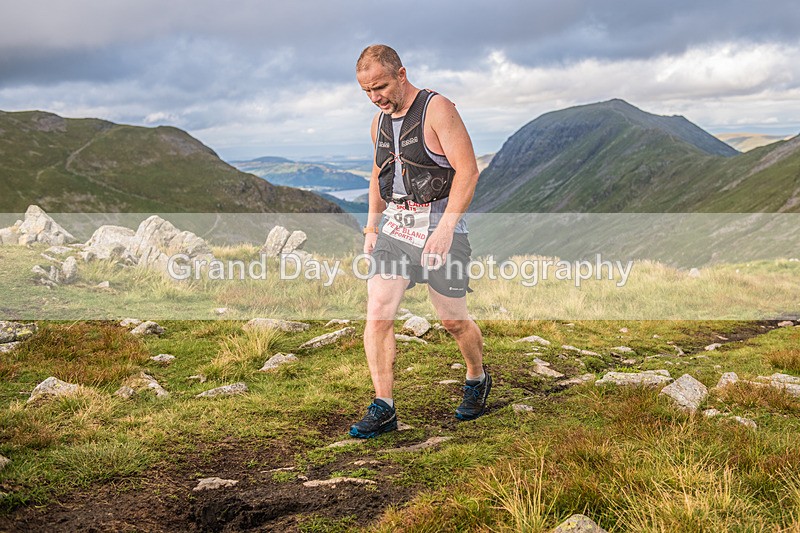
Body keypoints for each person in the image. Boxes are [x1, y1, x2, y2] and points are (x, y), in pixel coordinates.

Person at [349, 44, 490, 439]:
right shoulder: (379, 123)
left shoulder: (437, 109)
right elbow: (378, 176)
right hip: (396, 229)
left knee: (452, 319)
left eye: (380, 87)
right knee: (378, 309)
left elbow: (468, 171)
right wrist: (372, 228)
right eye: (366, 92)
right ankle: (384, 405)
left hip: (442, 227)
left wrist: (445, 228)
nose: (375, 97)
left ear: (401, 74)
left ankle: (477, 377)